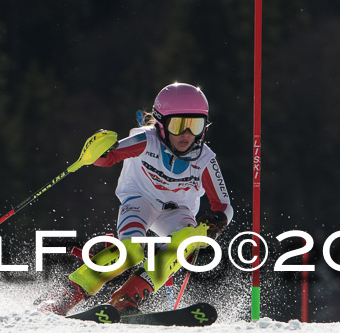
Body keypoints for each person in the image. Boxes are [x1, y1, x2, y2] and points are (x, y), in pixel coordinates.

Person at [38, 82, 233, 315]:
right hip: (140, 200)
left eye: (195, 125)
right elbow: (109, 158)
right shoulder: (146, 140)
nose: (186, 134)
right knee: (132, 251)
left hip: (177, 211)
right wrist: (99, 152)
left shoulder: (205, 158)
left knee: (185, 244)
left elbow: (223, 205)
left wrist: (218, 220)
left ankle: (125, 299)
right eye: (179, 125)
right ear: (161, 124)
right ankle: (64, 296)